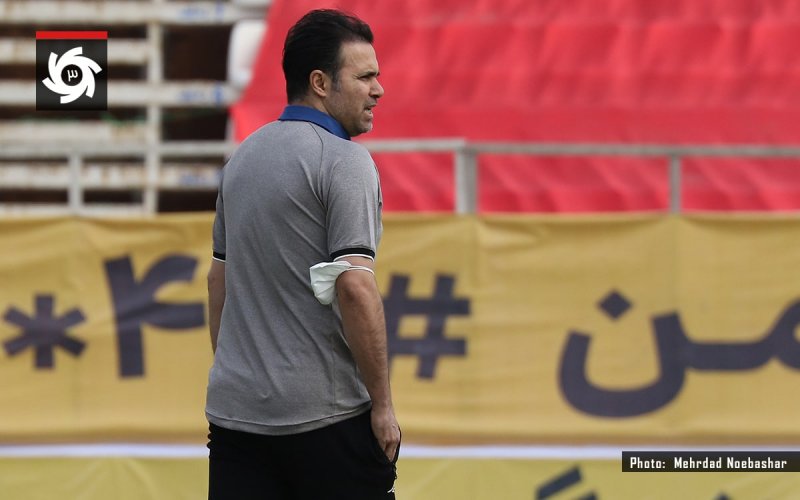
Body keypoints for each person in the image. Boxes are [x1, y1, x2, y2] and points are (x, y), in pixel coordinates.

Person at [205, 8, 400, 500]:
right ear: (320, 83)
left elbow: (217, 281)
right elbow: (354, 285)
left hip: (235, 417)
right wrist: (383, 405)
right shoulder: (344, 160)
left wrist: (245, 377)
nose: (378, 89)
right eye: (365, 77)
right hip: (325, 419)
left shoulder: (241, 159)